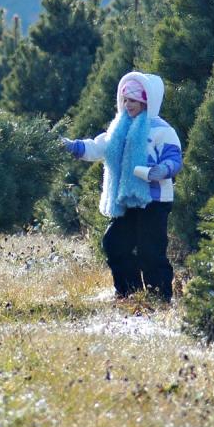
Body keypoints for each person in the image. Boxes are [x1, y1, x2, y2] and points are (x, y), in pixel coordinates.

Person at [62, 71, 182, 301]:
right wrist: (73, 147)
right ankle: (129, 292)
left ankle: (160, 296)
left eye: (133, 100)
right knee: (114, 243)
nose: (127, 105)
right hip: (127, 199)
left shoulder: (162, 130)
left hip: (154, 200)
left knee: (151, 251)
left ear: (147, 101)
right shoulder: (119, 128)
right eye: (125, 100)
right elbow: (98, 147)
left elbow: (174, 158)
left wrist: (163, 170)